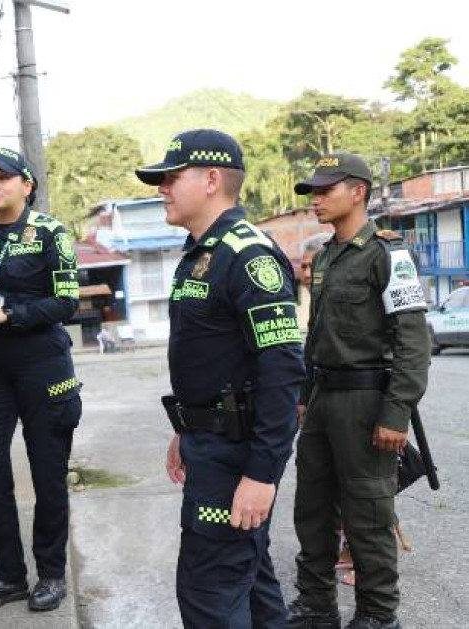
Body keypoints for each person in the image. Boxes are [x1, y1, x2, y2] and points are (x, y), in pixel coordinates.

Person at [135, 129, 305, 627]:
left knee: (209, 593)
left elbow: (282, 371)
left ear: (211, 179)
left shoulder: (247, 255)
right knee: (251, 585)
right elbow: (213, 362)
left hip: (238, 457)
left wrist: (262, 474)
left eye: (171, 177)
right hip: (212, 444)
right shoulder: (204, 251)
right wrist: (187, 428)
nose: (161, 188)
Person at [286, 153, 430, 629]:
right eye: (314, 191)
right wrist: (307, 395)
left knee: (367, 513)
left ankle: (377, 613)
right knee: (312, 507)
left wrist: (397, 413)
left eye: (326, 190)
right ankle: (316, 604)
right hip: (325, 398)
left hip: (368, 402)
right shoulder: (325, 256)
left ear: (359, 191)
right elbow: (318, 334)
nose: (317, 199)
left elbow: (412, 341)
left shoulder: (389, 254)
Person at [0, 147, 82, 613]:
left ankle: (50, 574)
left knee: (48, 474)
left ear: (27, 185)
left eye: (3, 177)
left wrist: (8, 315)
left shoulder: (51, 233)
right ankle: (8, 576)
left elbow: (66, 301)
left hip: (42, 365)